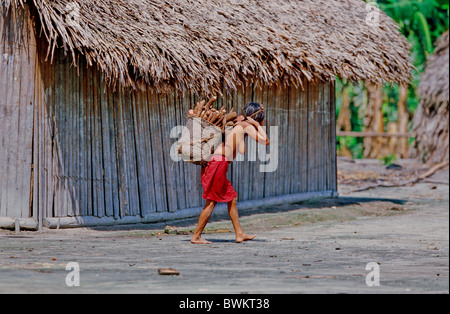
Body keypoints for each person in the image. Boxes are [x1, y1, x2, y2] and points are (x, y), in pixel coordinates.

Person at [191, 102, 270, 244]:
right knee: (211, 201)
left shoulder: (238, 120)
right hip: (218, 163)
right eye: (259, 119)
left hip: (216, 162)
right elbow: (265, 141)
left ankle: (239, 233)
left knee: (231, 197)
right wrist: (257, 125)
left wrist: (258, 120)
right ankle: (196, 236)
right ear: (255, 118)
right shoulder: (246, 126)